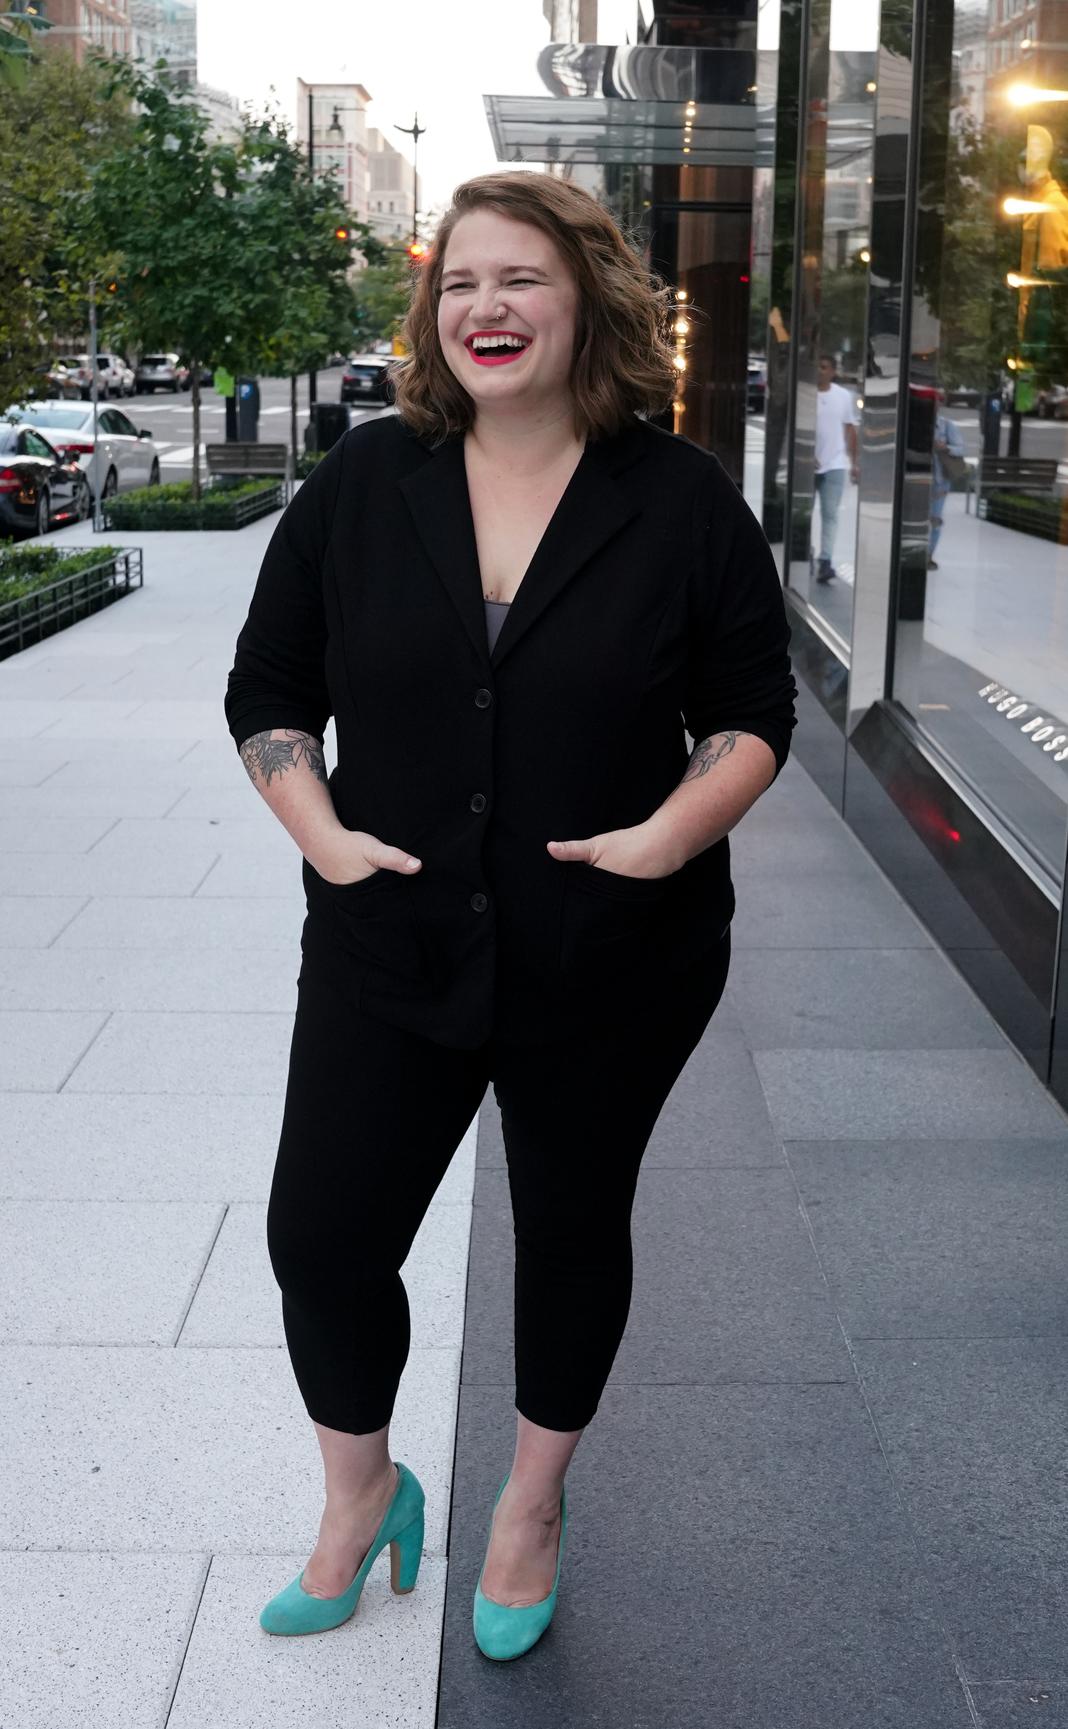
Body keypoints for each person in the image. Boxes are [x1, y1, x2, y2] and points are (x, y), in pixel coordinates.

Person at [224, 171, 797, 1662]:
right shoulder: (367, 479)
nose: (486, 306)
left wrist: (668, 838)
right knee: (322, 1235)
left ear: (588, 301)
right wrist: (323, 836)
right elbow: (270, 686)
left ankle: (530, 1510)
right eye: (461, 281)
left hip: (611, 950)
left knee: (569, 1226)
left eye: (522, 278)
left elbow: (753, 710)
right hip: (390, 936)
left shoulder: (679, 500)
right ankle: (362, 1494)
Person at [813, 352, 859, 583]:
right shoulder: (806, 393)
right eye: (818, 366)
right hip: (807, 465)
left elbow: (850, 428)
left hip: (835, 464)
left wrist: (854, 462)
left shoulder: (843, 396)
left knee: (830, 514)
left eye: (824, 367)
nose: (820, 371)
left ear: (832, 371)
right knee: (803, 512)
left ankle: (825, 560)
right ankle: (802, 553)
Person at [930, 397, 966, 570]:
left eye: (936, 401)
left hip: (939, 480)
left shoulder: (946, 426)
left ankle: (928, 556)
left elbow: (960, 448)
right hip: (917, 479)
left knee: (935, 520)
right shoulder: (914, 423)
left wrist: (945, 448)